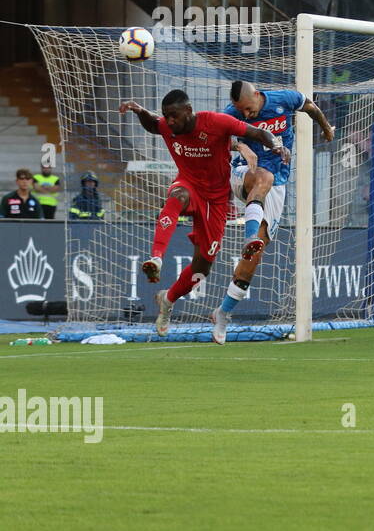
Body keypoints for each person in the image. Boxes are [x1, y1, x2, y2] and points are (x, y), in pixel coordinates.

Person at [118, 91, 287, 338]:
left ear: (189, 110)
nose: (170, 122)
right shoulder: (169, 125)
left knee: (201, 270)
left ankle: (168, 299)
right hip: (188, 185)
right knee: (177, 197)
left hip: (216, 201)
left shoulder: (217, 122)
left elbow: (258, 133)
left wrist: (278, 146)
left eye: (174, 116)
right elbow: (154, 124)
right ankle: (156, 258)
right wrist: (139, 110)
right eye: (167, 117)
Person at [212, 81, 334, 345]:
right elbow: (212, 135)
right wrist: (239, 146)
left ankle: (223, 313)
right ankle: (248, 236)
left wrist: (325, 129)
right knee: (262, 176)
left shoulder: (284, 99)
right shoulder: (230, 114)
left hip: (276, 183)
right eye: (240, 112)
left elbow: (310, 106)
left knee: (254, 258)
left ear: (257, 95)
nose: (245, 116)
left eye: (247, 109)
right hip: (244, 174)